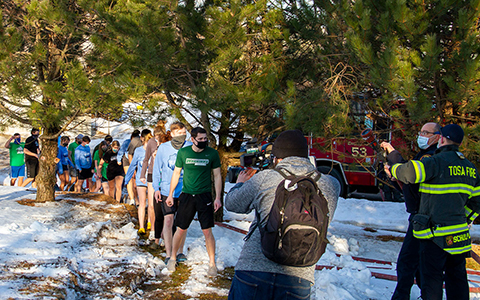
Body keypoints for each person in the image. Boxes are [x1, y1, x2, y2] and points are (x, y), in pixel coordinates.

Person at [224, 130, 340, 299]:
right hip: (299, 277)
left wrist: (240, 184)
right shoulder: (331, 184)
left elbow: (233, 204)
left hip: (254, 268)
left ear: (276, 158)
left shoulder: (265, 178)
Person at [389, 124, 480, 300]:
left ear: (441, 139)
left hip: (434, 236)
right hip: (459, 236)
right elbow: (477, 202)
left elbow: (408, 173)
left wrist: (393, 169)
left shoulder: (436, 162)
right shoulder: (470, 168)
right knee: (458, 278)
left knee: (432, 280)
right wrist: (463, 217)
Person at [381, 122, 440, 300]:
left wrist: (393, 154)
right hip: (423, 215)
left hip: (423, 217)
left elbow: (411, 177)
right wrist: (394, 178)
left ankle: (401, 296)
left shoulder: (429, 158)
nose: (421, 135)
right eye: (420, 131)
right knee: (421, 263)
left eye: (426, 132)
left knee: (407, 261)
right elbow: (410, 189)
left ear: (437, 136)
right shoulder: (426, 155)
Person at [165, 127, 222, 277]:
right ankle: (172, 258)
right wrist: (170, 194)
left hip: (205, 196)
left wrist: (217, 198)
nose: (203, 141)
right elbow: (176, 173)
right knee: (181, 229)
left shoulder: (212, 154)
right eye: (200, 139)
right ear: (193, 139)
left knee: (207, 231)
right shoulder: (183, 153)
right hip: (187, 196)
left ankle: (212, 264)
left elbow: (217, 176)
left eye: (205, 139)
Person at [153, 122, 192, 258]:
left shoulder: (189, 147)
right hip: (166, 189)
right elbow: (156, 168)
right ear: (172, 133)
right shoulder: (164, 148)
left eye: (184, 133)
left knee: (182, 223)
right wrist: (155, 188)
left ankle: (180, 251)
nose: (183, 135)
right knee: (168, 220)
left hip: (185, 190)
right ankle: (169, 254)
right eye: (180, 133)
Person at [140, 122, 169, 234]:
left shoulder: (167, 144)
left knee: (163, 203)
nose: (157, 138)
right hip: (152, 173)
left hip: (165, 175)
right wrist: (142, 174)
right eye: (155, 136)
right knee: (152, 203)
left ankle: (163, 231)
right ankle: (153, 229)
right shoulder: (151, 143)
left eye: (159, 136)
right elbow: (146, 159)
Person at [125, 129, 152, 235]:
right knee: (142, 203)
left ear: (141, 138)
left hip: (151, 179)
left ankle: (149, 222)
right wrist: (127, 179)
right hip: (141, 180)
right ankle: (141, 226)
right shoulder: (138, 151)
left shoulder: (155, 150)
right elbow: (132, 165)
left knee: (150, 203)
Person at [123, 129, 142, 205]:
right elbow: (129, 155)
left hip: (136, 161)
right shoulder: (127, 142)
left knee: (136, 181)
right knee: (130, 178)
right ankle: (131, 199)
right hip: (128, 161)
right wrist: (132, 168)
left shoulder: (141, 142)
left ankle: (137, 199)